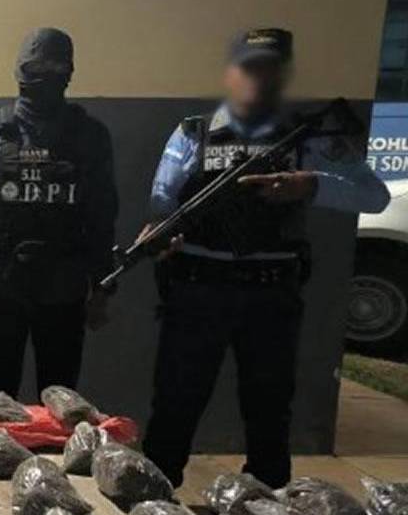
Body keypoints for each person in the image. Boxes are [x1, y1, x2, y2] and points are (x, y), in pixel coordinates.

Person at [140, 28, 390, 488]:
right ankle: (154, 493)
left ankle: (268, 502)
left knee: (269, 404)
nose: (259, 78)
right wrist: (161, 232)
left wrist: (309, 185)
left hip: (270, 289)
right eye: (250, 68)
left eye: (270, 69)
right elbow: (162, 200)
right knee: (176, 398)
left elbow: (374, 196)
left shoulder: (308, 136)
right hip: (198, 285)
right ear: (231, 73)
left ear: (283, 74)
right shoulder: (193, 132)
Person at [0, 28, 118, 398]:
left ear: (68, 72)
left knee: (61, 401)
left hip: (64, 289)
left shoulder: (90, 136)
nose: (45, 77)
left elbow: (102, 216)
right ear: (21, 70)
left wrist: (102, 288)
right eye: (37, 68)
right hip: (1, 285)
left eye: (54, 68)